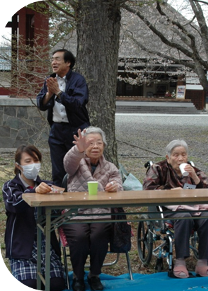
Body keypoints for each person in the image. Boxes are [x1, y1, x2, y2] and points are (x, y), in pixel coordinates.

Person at [60, 126, 129, 291]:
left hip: (101, 212)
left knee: (99, 235)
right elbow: (67, 165)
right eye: (90, 143)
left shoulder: (111, 167)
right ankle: (77, 276)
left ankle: (94, 275)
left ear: (104, 145)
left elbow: (119, 185)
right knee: (79, 237)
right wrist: (78, 149)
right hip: (76, 212)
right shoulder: (77, 162)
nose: (95, 146)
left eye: (99, 142)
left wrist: (115, 187)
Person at [143, 139, 208, 278]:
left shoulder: (192, 170)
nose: (180, 158)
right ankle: (180, 261)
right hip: (168, 209)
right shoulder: (158, 168)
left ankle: (203, 262)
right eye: (176, 155)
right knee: (184, 216)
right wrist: (169, 191)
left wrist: (195, 177)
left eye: (184, 155)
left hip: (194, 206)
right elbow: (148, 188)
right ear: (168, 157)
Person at [2, 145, 65, 291]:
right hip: (22, 248)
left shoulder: (48, 186)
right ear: (18, 166)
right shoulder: (10, 186)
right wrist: (33, 191)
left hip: (46, 246)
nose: (33, 165)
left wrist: (57, 200)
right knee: (30, 285)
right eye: (28, 161)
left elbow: (58, 213)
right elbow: (13, 204)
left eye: (36, 160)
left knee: (56, 285)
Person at [36, 49, 90, 186]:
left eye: (58, 59)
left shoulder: (78, 80)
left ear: (68, 63)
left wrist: (59, 92)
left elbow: (77, 104)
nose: (54, 62)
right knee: (58, 171)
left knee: (79, 168)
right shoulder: (50, 80)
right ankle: (58, 206)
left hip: (76, 130)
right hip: (57, 130)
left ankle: (78, 203)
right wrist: (49, 93)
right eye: (52, 59)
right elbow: (41, 105)